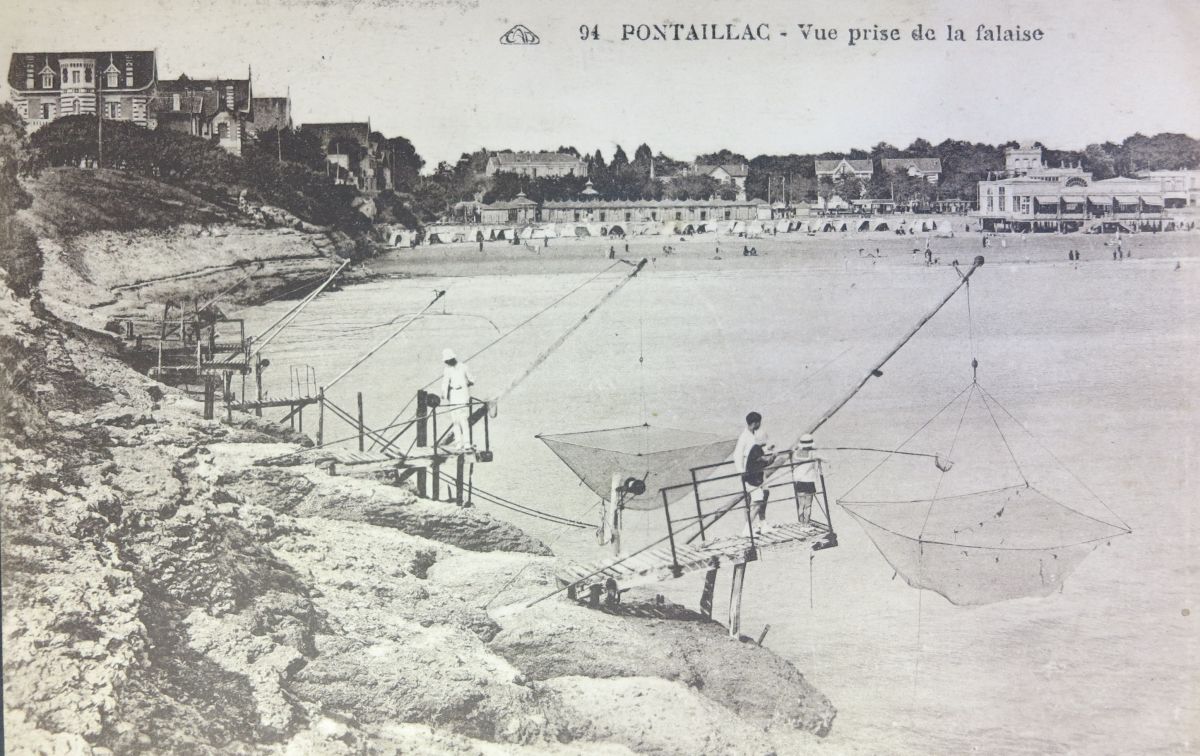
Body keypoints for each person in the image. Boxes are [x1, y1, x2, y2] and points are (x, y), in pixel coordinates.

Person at [735, 412, 775, 535]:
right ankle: (748, 528)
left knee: (765, 494)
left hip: (758, 471)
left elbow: (756, 451)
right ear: (755, 423)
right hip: (751, 473)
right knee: (756, 500)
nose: (760, 425)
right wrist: (741, 471)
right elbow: (737, 455)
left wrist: (767, 449)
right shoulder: (744, 437)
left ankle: (762, 522)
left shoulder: (753, 435)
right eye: (759, 422)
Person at [440, 348, 476, 451]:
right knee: (455, 420)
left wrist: (465, 384)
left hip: (462, 394)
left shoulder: (463, 367)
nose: (448, 362)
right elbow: (445, 382)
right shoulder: (447, 369)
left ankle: (467, 443)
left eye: (449, 360)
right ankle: (458, 442)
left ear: (453, 358)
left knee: (463, 419)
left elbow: (472, 380)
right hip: (453, 395)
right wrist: (443, 393)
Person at [791, 435, 821, 524]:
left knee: (801, 505)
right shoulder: (813, 454)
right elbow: (825, 459)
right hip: (809, 481)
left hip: (799, 482)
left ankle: (801, 523)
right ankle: (806, 525)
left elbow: (795, 451)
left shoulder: (795, 454)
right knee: (808, 505)